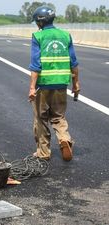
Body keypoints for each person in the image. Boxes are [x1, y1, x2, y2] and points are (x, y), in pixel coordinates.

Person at [28, 6, 80, 161]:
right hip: (61, 84)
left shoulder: (38, 36)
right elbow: (74, 62)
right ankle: (64, 138)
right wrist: (76, 84)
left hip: (43, 85)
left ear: (39, 22)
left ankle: (43, 153)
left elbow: (35, 65)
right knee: (58, 117)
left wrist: (32, 87)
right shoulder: (66, 35)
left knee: (41, 119)